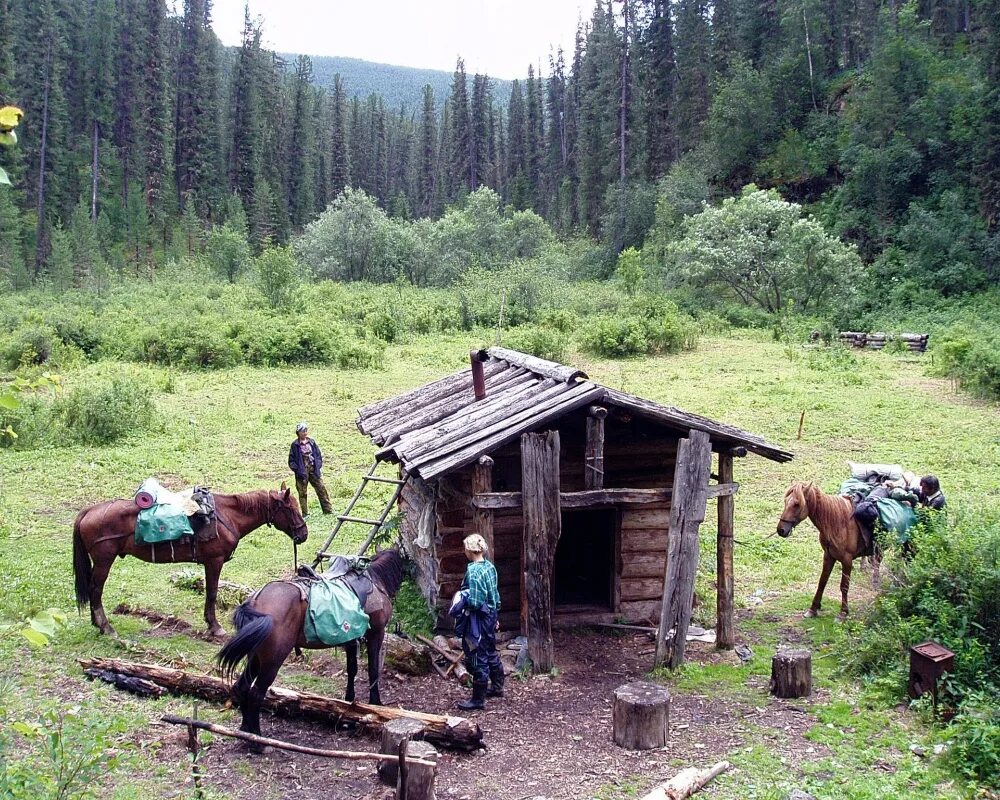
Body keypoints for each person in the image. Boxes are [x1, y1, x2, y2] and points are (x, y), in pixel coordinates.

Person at [452, 533, 503, 711]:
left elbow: (475, 601)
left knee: (478, 653)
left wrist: (462, 601)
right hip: (491, 614)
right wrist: (495, 614)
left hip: (479, 617)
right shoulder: (490, 567)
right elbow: (495, 594)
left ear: (469, 550)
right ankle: (497, 687)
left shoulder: (473, 571)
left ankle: (477, 700)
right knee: (490, 649)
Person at [287, 422, 332, 517]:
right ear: (298, 433)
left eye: (306, 431)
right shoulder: (295, 445)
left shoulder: (312, 442)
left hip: (313, 469)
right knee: (302, 493)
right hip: (302, 472)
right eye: (302, 431)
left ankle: (328, 510)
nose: (304, 433)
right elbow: (291, 460)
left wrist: (318, 465)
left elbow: (318, 455)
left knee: (321, 488)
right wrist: (297, 470)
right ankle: (305, 513)